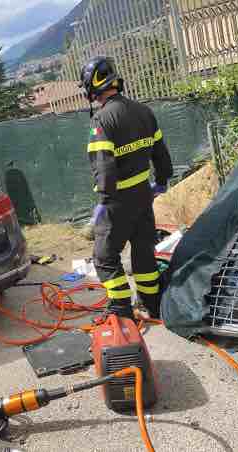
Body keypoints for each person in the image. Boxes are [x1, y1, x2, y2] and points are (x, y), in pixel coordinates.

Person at [79, 56, 173, 320]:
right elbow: (161, 154)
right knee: (143, 253)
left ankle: (121, 310)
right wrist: (162, 181)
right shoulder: (144, 111)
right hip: (144, 196)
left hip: (117, 200)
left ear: (91, 86)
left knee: (105, 257)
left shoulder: (102, 120)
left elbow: (104, 168)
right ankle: (153, 305)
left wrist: (103, 203)